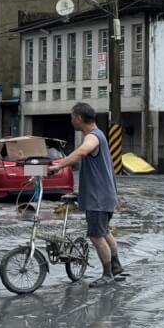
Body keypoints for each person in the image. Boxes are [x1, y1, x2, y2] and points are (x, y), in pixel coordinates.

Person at [49, 102, 124, 287]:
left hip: (98, 198)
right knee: (104, 232)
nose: (71, 120)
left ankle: (107, 274)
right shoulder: (99, 136)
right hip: (104, 195)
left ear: (79, 118)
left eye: (72, 117)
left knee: (96, 236)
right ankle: (116, 266)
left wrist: (58, 166)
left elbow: (82, 152)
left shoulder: (93, 137)